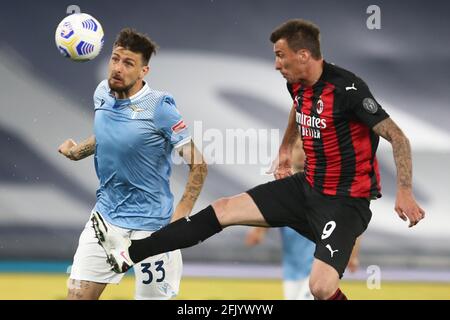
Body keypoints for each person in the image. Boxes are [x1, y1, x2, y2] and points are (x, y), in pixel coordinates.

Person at [92, 19, 425, 300]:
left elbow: (397, 136)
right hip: (306, 187)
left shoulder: (348, 90)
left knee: (321, 288)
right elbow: (299, 108)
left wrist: (405, 191)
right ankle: (125, 256)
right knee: (223, 209)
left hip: (344, 201)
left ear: (304, 55)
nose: (277, 64)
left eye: (281, 56)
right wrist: (285, 148)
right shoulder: (297, 85)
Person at [58, 28, 207, 300]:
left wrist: (181, 215)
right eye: (115, 59)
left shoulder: (160, 107)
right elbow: (107, 135)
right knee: (77, 297)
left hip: (153, 228)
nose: (117, 68)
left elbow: (199, 164)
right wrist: (77, 151)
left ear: (144, 71)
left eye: (128, 63)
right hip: (105, 220)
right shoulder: (102, 93)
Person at [245, 138, 360, 300]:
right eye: (298, 147)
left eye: (306, 147)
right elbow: (269, 212)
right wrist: (258, 231)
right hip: (291, 271)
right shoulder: (283, 188)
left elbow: (351, 221)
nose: (301, 152)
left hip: (317, 267)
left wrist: (353, 254)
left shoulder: (325, 185)